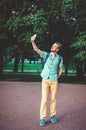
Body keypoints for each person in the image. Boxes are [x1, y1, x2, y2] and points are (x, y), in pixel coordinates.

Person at [31, 34, 63, 126]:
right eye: (52, 45)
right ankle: (42, 118)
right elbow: (36, 50)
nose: (52, 47)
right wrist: (33, 41)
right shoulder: (46, 55)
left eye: (54, 46)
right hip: (45, 79)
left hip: (54, 81)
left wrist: (58, 75)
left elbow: (61, 68)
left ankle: (53, 116)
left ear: (57, 49)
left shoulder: (60, 58)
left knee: (53, 99)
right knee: (44, 99)